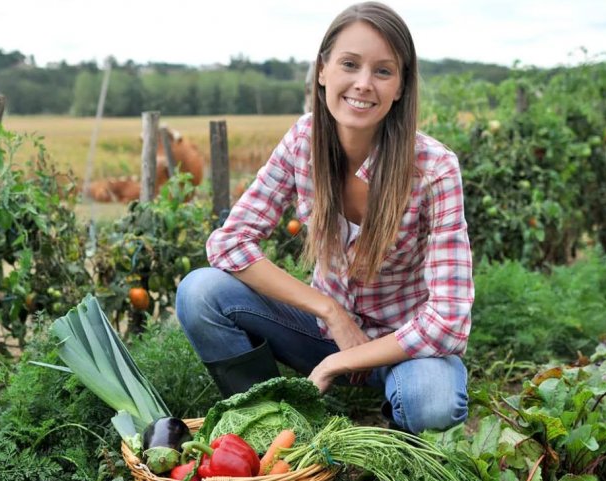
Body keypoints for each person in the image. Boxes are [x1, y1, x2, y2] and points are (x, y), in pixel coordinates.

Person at [176, 1, 472, 435]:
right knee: (199, 292)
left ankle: (393, 440)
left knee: (430, 401)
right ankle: (280, 426)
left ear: (401, 86)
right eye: (349, 64)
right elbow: (229, 243)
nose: (363, 84)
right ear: (322, 71)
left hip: (404, 348)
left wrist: (344, 359)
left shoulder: (434, 169)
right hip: (318, 332)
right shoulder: (303, 141)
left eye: (383, 71)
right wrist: (330, 310)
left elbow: (449, 320)